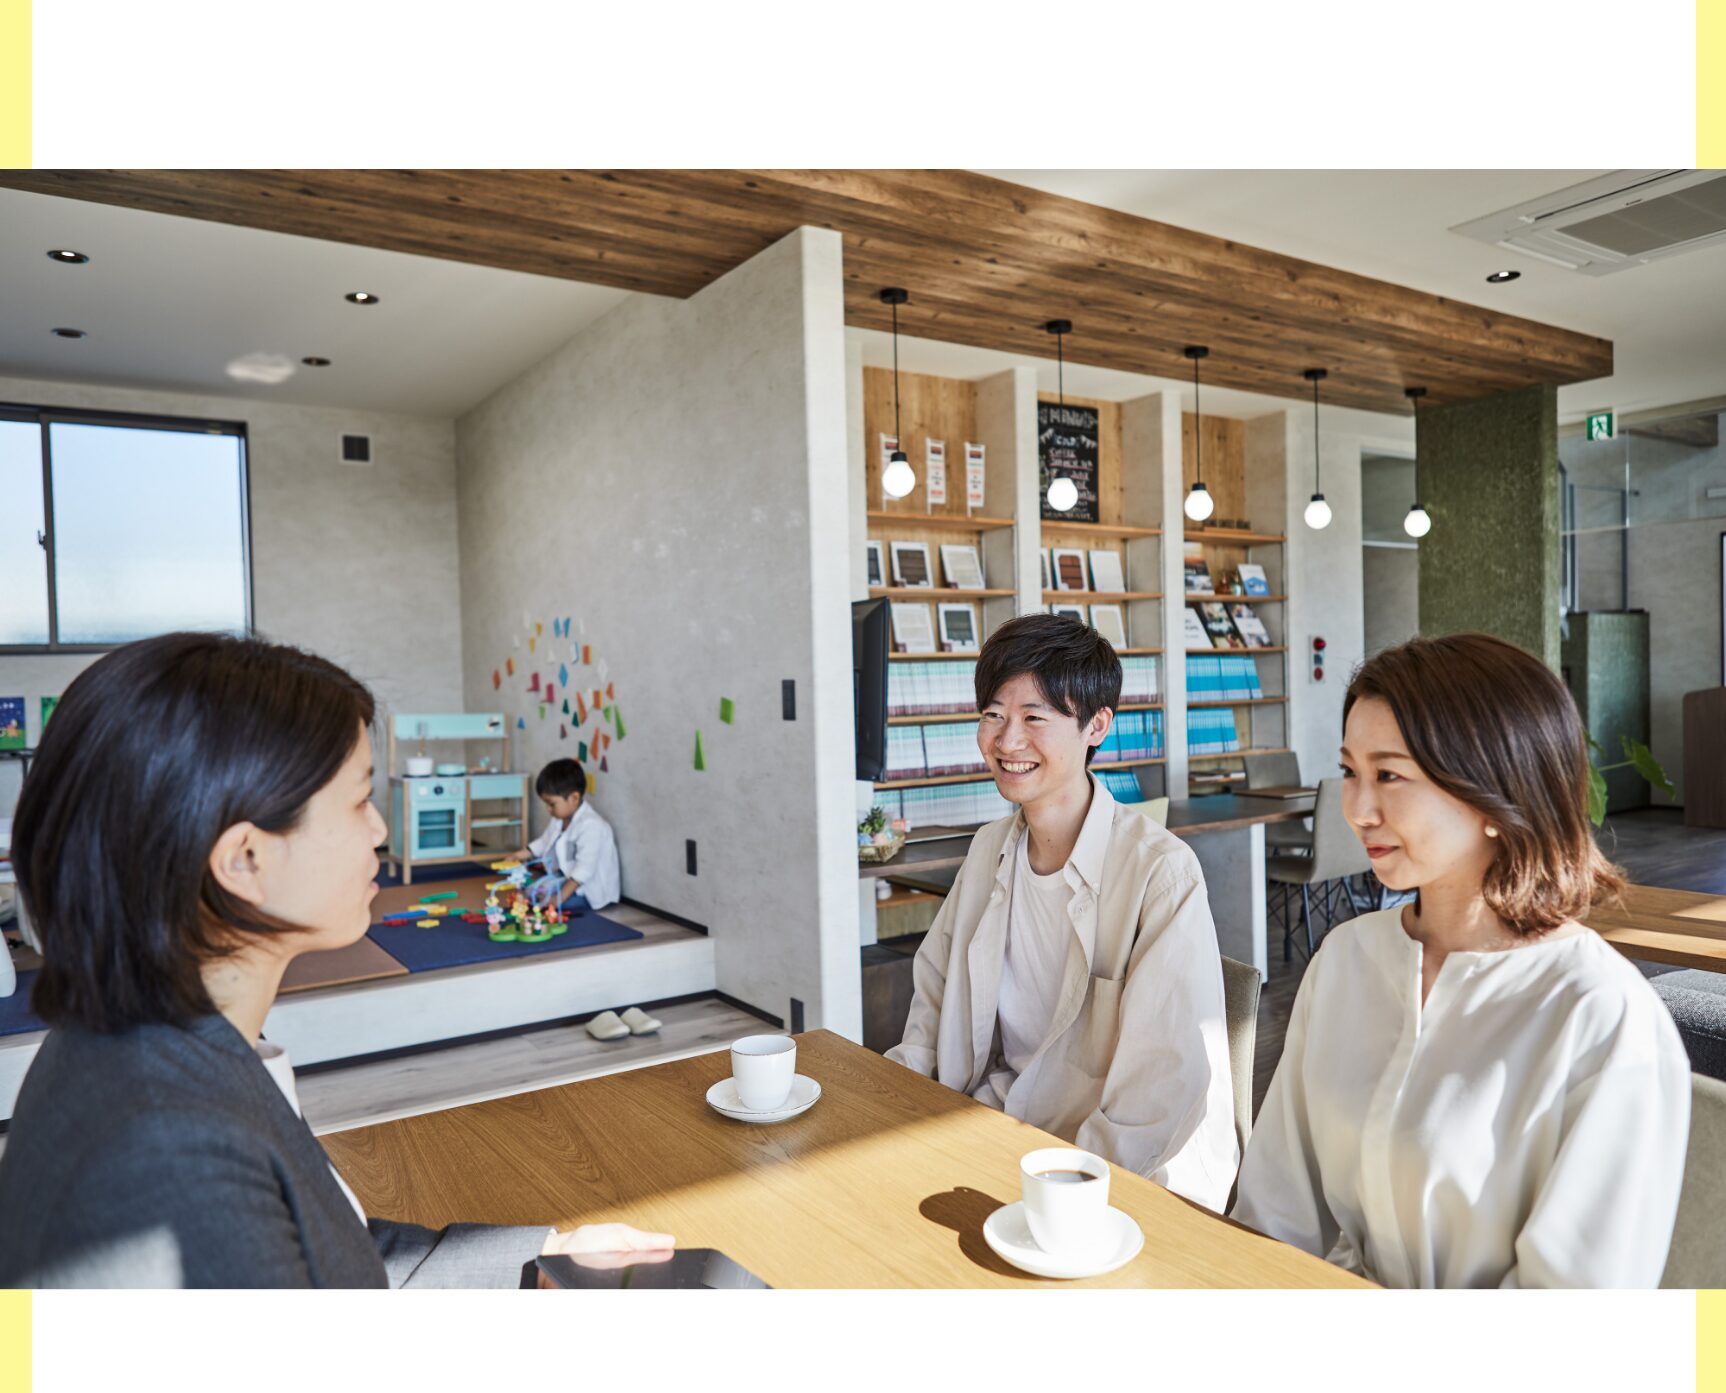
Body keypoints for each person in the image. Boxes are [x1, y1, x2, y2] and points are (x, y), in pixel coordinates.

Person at [0, 633, 672, 1288]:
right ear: (245, 859)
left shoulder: (151, 1044)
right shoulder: (163, 1174)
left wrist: (546, 1256)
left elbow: (334, 1249)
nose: (380, 830)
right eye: (359, 801)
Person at [1231, 632, 1691, 1288]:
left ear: (1495, 792)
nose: (1358, 809)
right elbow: (1273, 1213)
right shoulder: (1345, 960)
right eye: (1350, 771)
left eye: (1389, 775)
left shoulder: (1601, 1016)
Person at [885, 614, 1238, 1211]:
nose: (1007, 742)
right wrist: (895, 1100)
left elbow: (1159, 1088)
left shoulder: (1160, 873)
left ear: (1097, 725)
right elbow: (935, 998)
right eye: (993, 714)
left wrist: (1063, 1194)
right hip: (1001, 1125)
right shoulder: (988, 849)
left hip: (1122, 1172)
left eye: (1034, 718)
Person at [519, 758, 619, 914]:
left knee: (544, 901)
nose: (548, 809)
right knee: (531, 893)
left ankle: (556, 899)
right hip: (566, 878)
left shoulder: (592, 826)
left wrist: (558, 899)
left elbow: (583, 871)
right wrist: (519, 855)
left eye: (552, 804)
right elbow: (544, 841)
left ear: (574, 798)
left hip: (588, 890)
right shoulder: (559, 818)